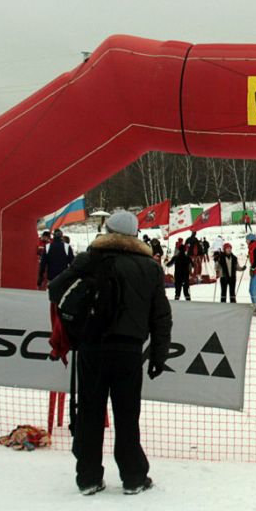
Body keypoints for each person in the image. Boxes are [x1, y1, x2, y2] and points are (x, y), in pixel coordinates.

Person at [48, 210, 171, 496]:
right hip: (128, 349)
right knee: (127, 415)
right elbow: (160, 316)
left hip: (91, 346)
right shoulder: (149, 267)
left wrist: (76, 326)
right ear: (135, 234)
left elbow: (55, 289)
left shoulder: (89, 259)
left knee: (90, 412)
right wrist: (159, 355)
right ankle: (134, 477)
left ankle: (88, 477)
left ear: (107, 229)